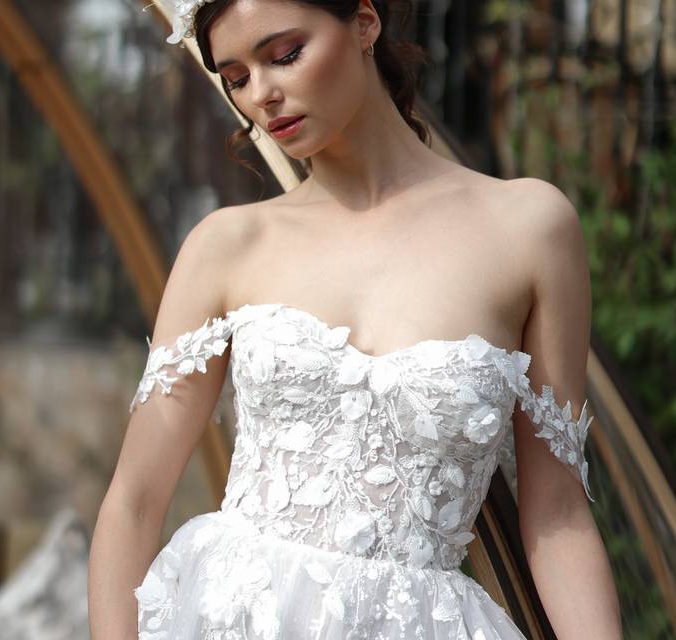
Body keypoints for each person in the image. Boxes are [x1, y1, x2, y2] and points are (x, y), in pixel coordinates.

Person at [88, 0, 622, 637]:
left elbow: (558, 516)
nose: (262, 94)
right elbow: (134, 503)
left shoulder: (530, 228)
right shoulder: (227, 245)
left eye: (284, 55)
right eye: (235, 77)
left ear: (364, 22)